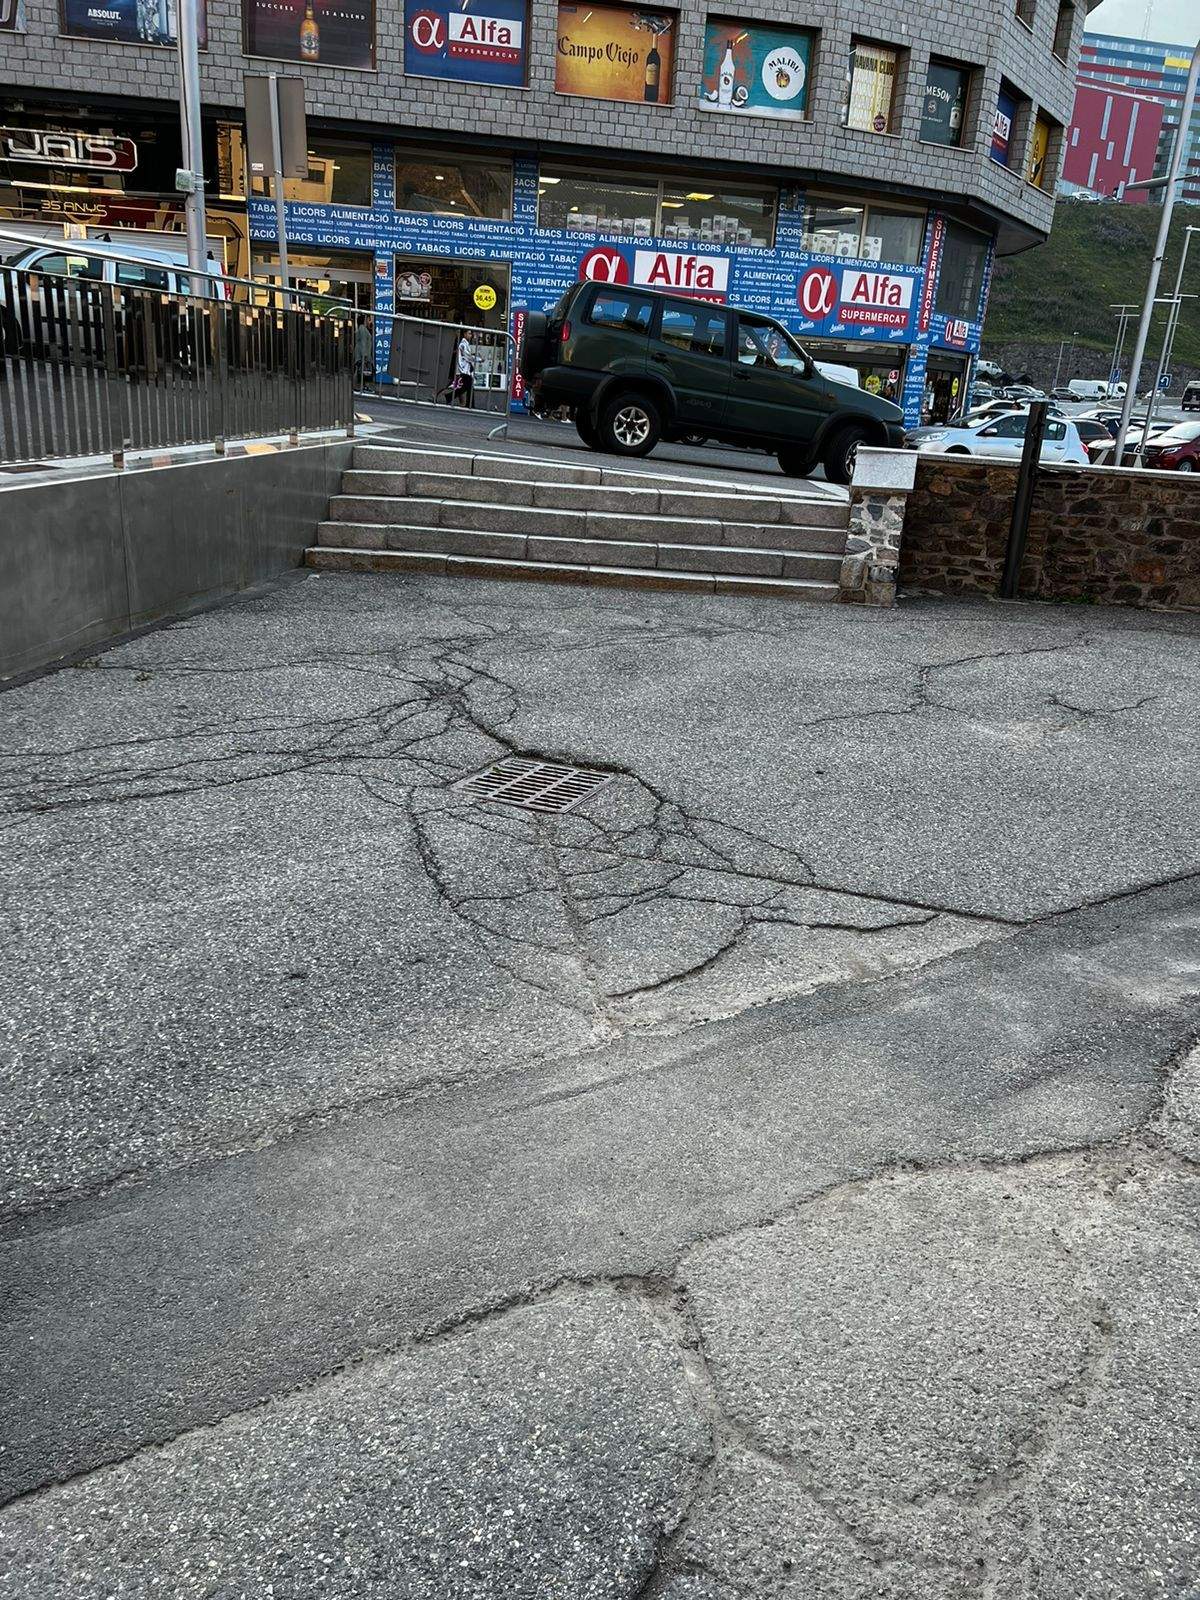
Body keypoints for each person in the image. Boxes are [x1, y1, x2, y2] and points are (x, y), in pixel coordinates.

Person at [454, 331, 475, 408]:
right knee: (465, 386)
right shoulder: (463, 344)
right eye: (469, 333)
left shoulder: (465, 343)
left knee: (468, 386)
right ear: (465, 334)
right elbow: (467, 357)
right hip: (463, 370)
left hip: (465, 369)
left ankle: (470, 404)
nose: (471, 335)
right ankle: (448, 397)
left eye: (471, 334)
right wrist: (479, 359)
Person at [353, 316, 373, 390]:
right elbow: (363, 342)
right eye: (368, 320)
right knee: (360, 369)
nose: (369, 321)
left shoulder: (362, 328)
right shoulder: (362, 329)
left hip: (361, 353)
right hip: (362, 354)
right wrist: (364, 355)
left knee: (361, 369)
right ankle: (357, 386)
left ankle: (361, 386)